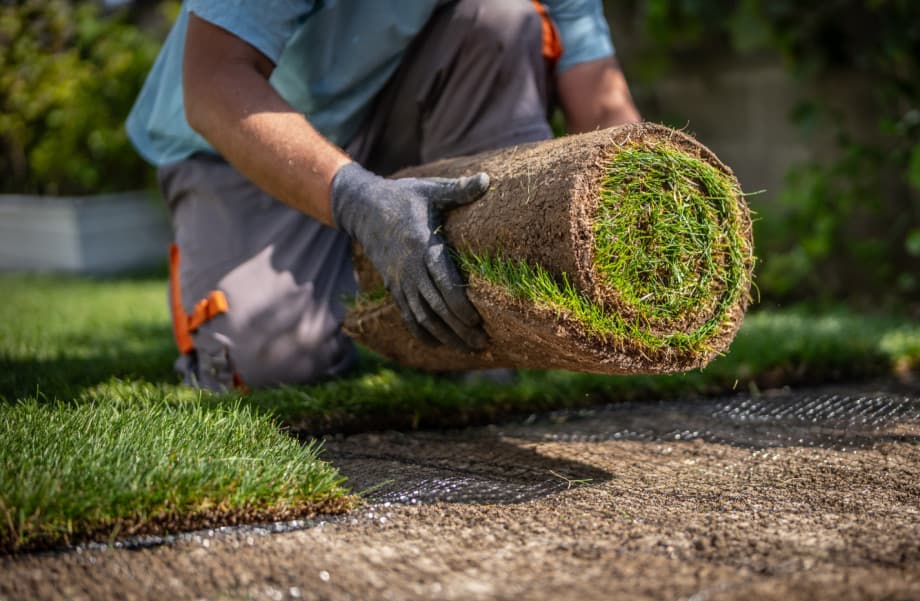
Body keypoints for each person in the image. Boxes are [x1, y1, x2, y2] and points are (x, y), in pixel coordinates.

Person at [127, 0, 641, 391]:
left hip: (392, 117)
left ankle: (484, 322)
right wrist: (356, 197)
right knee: (271, 364)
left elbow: (598, 94)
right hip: (245, 146)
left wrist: (646, 223)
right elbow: (213, 80)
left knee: (504, 14)